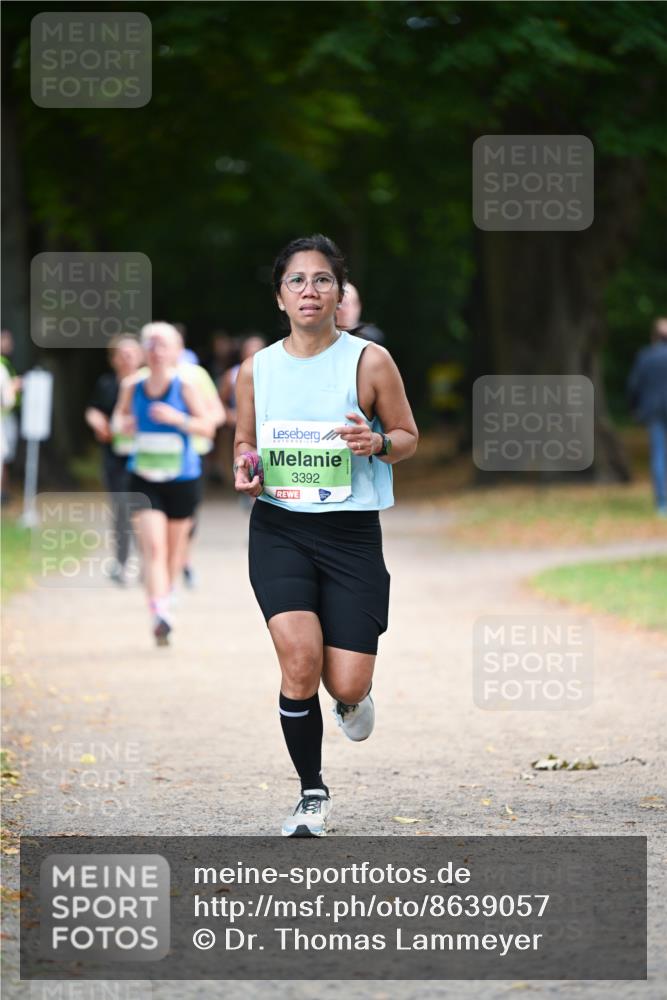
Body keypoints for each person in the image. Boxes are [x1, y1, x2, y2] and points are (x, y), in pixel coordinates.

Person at [234, 234, 418, 836]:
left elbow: (407, 436)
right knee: (299, 660)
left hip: (350, 535)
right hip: (280, 529)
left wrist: (379, 443)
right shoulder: (255, 368)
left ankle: (352, 699)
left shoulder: (369, 361)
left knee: (345, 681)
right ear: (279, 296)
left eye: (322, 280)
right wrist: (245, 462)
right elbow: (244, 442)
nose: (309, 291)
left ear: (340, 294)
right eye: (297, 281)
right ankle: (311, 792)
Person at [113, 322, 216, 645]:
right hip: (143, 478)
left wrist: (178, 420)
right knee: (154, 548)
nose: (156, 351)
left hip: (183, 478)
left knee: (172, 552)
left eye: (163, 345)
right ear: (144, 351)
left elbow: (208, 428)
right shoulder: (132, 385)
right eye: (151, 345)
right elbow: (117, 419)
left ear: (175, 351)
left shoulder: (185, 386)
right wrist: (123, 424)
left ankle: (166, 600)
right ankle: (159, 614)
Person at [85, 335, 144, 584]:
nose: (126, 358)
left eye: (131, 353)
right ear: (113, 359)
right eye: (121, 354)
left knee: (145, 509)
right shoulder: (107, 383)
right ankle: (122, 562)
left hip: (145, 457)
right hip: (115, 456)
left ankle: (149, 562)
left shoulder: (148, 383)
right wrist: (96, 419)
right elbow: (93, 408)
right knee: (120, 509)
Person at [628, 317, 667, 516]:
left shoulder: (646, 356)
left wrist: (633, 409)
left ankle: (662, 502)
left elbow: (634, 386)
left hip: (653, 412)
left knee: (659, 455)